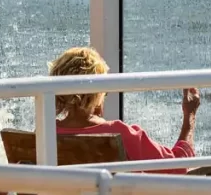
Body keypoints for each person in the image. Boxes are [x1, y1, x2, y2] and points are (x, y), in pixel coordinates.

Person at [49, 47, 199, 174]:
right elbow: (177, 167)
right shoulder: (119, 133)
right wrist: (189, 116)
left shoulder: (46, 135)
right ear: (97, 93)